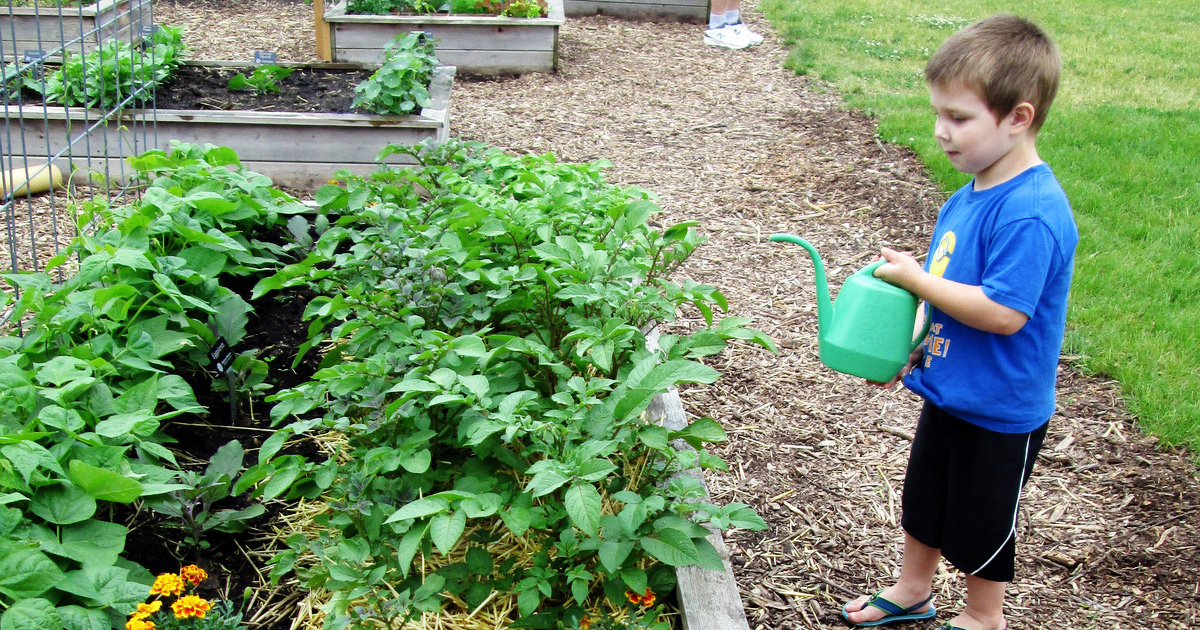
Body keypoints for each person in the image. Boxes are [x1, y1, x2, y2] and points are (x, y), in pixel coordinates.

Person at [840, 14, 1078, 630]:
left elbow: (1002, 314)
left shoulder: (1030, 213)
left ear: (1018, 117)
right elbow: (942, 292)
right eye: (938, 114)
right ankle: (914, 591)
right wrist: (905, 351)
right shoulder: (968, 193)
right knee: (926, 502)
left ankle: (981, 618)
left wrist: (918, 279)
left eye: (960, 118)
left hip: (1000, 408)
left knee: (981, 522)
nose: (942, 132)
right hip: (951, 388)